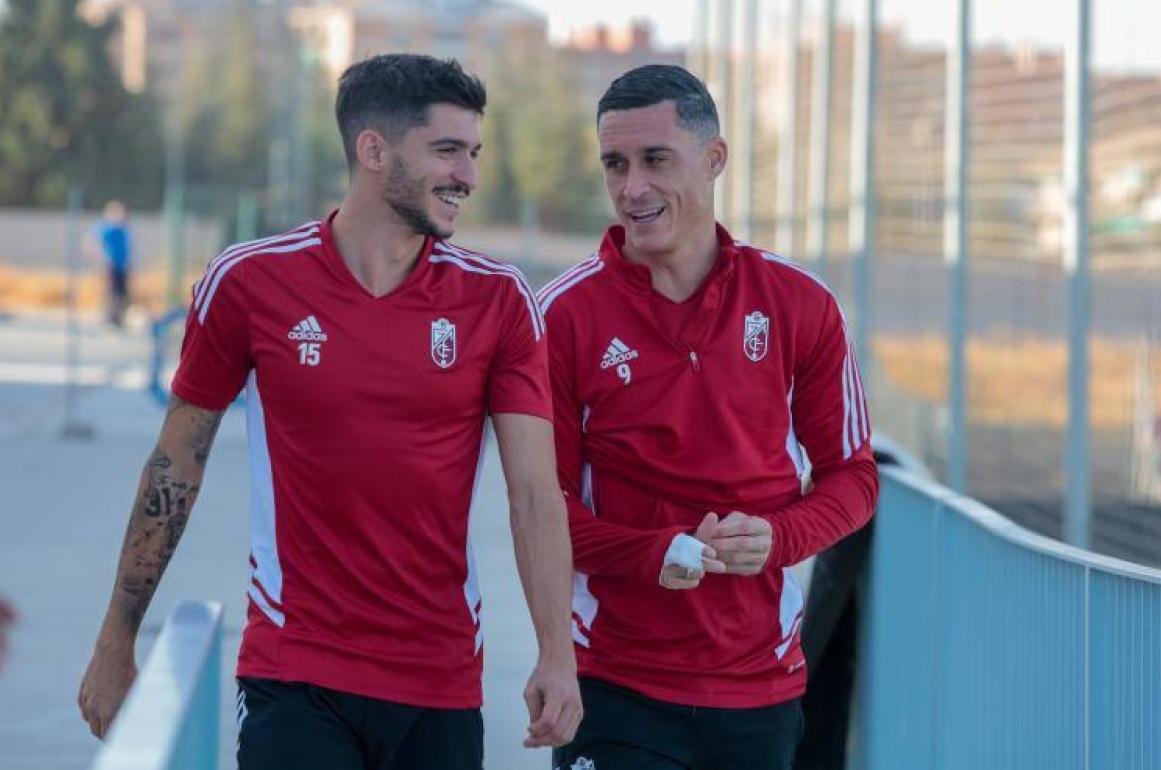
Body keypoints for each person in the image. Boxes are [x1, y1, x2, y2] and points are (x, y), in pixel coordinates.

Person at [78, 54, 581, 769]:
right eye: (447, 150)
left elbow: (534, 493)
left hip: (438, 677)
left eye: (473, 153)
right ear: (373, 150)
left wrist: (556, 654)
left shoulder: (499, 299)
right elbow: (175, 466)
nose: (468, 175)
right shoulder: (250, 280)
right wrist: (116, 639)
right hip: (296, 669)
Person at [538, 64, 878, 770]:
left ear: (714, 157)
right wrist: (652, 553)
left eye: (655, 160)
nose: (632, 188)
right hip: (613, 684)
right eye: (615, 164)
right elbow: (542, 509)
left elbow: (854, 476)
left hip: (760, 689)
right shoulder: (560, 317)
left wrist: (779, 538)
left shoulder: (801, 303)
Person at [91, 201, 133, 327]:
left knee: (122, 293)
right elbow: (92, 243)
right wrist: (103, 259)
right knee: (111, 292)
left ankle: (118, 318)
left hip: (121, 267)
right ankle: (108, 317)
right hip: (110, 266)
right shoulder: (106, 229)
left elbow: (126, 249)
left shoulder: (123, 231)